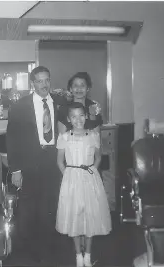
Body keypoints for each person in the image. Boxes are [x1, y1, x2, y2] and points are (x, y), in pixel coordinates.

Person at [6, 66, 62, 261]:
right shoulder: (20, 106)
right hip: (29, 163)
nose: (44, 84)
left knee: (49, 204)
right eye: (39, 81)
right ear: (32, 84)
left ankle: (47, 249)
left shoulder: (58, 103)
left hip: (53, 162)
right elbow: (12, 139)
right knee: (28, 207)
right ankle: (25, 252)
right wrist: (15, 170)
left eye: (47, 80)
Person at [56, 102, 111, 267]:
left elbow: (99, 157)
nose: (78, 119)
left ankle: (88, 254)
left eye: (81, 115)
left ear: (86, 116)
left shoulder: (93, 135)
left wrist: (92, 170)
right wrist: (68, 175)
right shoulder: (64, 137)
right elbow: (59, 161)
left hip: (89, 178)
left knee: (90, 215)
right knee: (75, 215)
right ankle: (78, 256)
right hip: (72, 180)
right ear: (68, 119)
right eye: (73, 116)